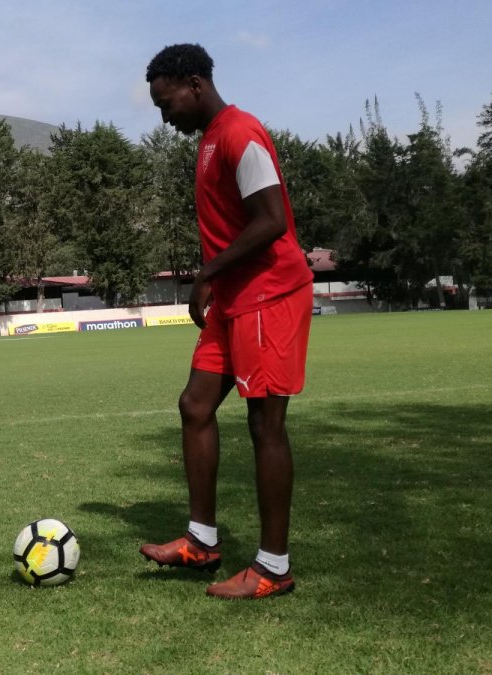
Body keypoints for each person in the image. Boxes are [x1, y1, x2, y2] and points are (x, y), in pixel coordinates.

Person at [138, 44, 314, 599]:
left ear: (195, 83)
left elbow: (272, 220)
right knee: (195, 405)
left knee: (265, 425)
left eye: (167, 105)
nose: (165, 118)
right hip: (234, 297)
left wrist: (208, 272)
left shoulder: (240, 132)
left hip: (268, 293)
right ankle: (201, 541)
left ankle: (273, 568)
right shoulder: (210, 140)